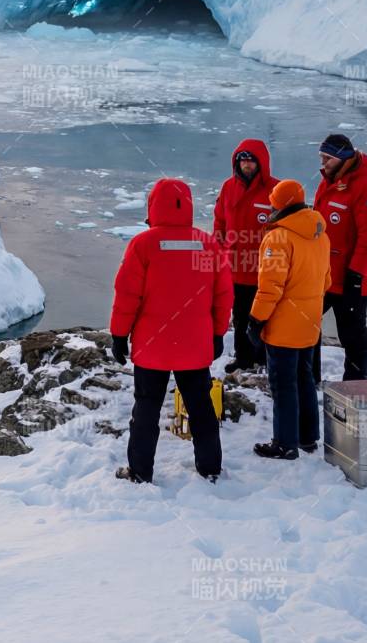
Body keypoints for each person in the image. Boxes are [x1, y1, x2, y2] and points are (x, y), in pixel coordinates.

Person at [109, 177, 232, 484]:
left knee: (146, 411)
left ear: (153, 206)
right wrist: (217, 333)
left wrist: (119, 335)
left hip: (153, 346)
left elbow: (128, 295)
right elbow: (221, 295)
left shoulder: (143, 245)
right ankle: (210, 468)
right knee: (202, 409)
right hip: (194, 346)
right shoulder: (207, 244)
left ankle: (139, 470)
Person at [248, 179, 330, 459]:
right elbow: (326, 280)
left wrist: (256, 320)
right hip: (310, 322)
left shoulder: (278, 238)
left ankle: (285, 443)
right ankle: (308, 438)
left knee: (283, 384)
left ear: (278, 203)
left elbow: (270, 287)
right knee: (304, 377)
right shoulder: (320, 234)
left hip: (283, 325)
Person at [312, 133, 367, 381]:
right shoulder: (328, 182)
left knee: (352, 333)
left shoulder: (366, 187)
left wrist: (356, 275)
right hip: (324, 273)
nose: (322, 163)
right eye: (322, 157)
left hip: (350, 277)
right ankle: (310, 376)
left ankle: (355, 383)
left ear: (342, 157)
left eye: (327, 158)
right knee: (306, 323)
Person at [212, 138, 278, 373]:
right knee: (239, 318)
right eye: (242, 161)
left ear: (261, 162)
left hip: (264, 270)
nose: (246, 165)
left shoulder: (275, 190)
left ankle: (264, 359)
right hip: (235, 267)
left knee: (263, 319)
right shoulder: (228, 187)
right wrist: (219, 246)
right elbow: (219, 220)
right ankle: (243, 359)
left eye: (251, 161)